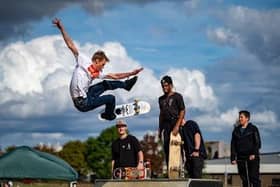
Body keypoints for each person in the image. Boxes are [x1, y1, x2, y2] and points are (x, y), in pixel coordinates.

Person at [52, 18, 143, 120]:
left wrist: (131, 73)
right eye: (102, 64)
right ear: (96, 61)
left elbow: (115, 76)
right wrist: (62, 28)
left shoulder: (98, 72)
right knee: (111, 98)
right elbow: (70, 45)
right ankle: (109, 115)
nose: (103, 67)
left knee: (106, 83)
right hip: (82, 103)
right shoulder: (82, 60)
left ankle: (126, 85)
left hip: (87, 95)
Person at [158, 75, 185, 165]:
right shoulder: (161, 99)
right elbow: (161, 115)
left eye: (166, 85)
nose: (164, 88)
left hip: (176, 123)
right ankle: (171, 170)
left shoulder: (177, 96)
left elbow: (182, 110)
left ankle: (181, 169)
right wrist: (159, 130)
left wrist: (177, 126)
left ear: (171, 85)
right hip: (166, 125)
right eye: (163, 86)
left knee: (177, 146)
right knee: (167, 148)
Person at [231, 110, 261, 187]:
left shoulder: (253, 129)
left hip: (252, 157)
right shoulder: (236, 130)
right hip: (241, 158)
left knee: (254, 178)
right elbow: (233, 145)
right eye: (239, 117)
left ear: (247, 118)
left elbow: (257, 143)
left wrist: (253, 153)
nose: (240, 119)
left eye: (242, 117)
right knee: (245, 179)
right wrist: (233, 158)